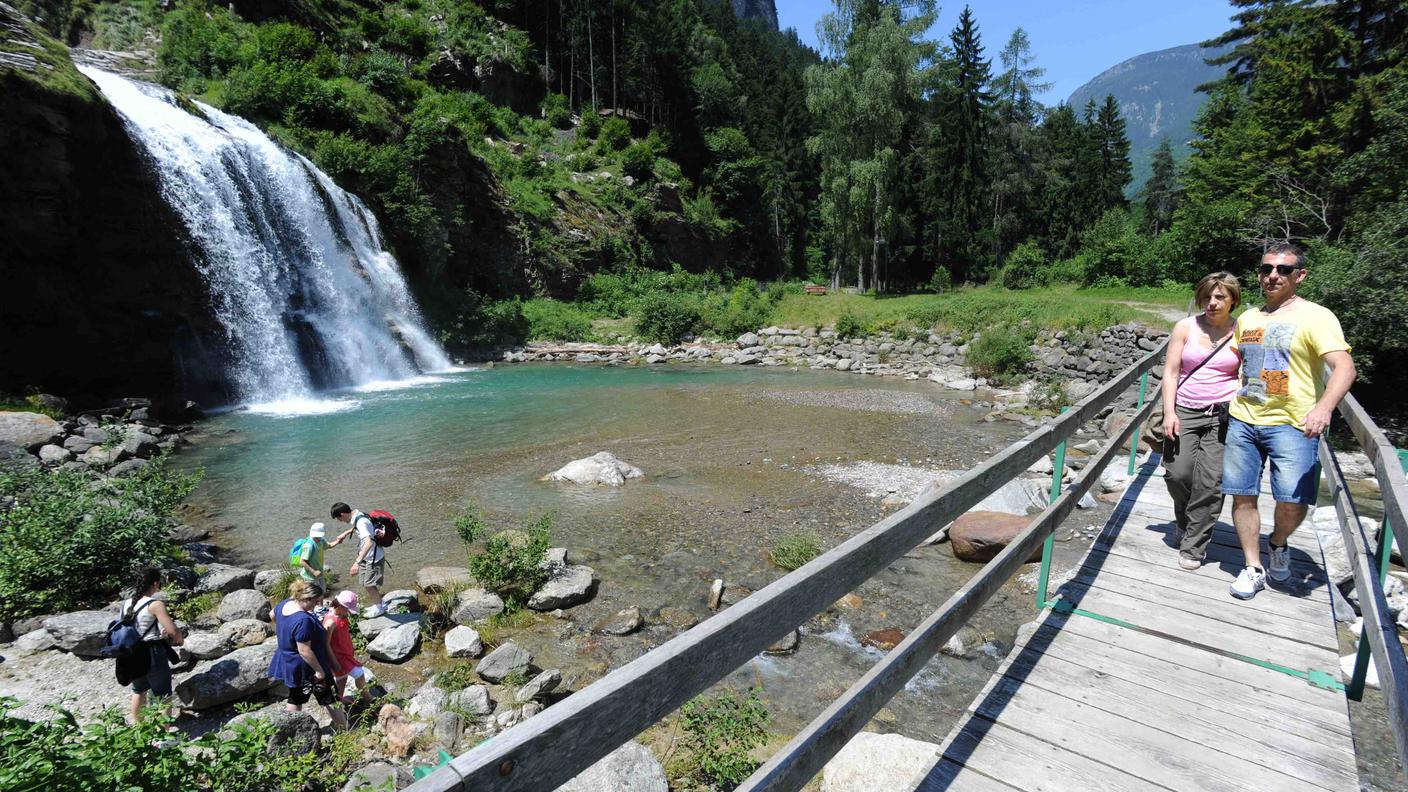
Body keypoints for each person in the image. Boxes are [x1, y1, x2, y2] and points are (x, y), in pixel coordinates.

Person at [1223, 243, 1356, 600]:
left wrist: (1324, 408)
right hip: (1243, 419)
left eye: (1283, 270)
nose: (1273, 275)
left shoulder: (1317, 316)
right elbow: (1235, 364)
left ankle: (1278, 542)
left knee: (1293, 500)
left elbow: (1344, 367)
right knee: (1242, 495)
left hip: (1293, 424)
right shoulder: (1249, 318)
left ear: (1300, 275)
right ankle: (1252, 566)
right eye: (1267, 268)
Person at [1161, 272, 1241, 571]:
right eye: (1207, 296)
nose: (1212, 302)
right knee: (1177, 474)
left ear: (1233, 299)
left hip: (1223, 415)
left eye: (1219, 296)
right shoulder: (1186, 327)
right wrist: (1170, 412)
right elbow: (1171, 372)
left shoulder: (1242, 330)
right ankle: (1184, 520)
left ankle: (1194, 545)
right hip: (1186, 410)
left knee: (1211, 482)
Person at [267, 579, 348, 729]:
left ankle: (291, 730)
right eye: (317, 602)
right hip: (307, 666)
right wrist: (319, 671)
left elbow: (272, 615)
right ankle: (345, 730)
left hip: (289, 662)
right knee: (330, 698)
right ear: (307, 599)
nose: (318, 605)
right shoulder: (302, 620)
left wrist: (284, 631)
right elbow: (304, 650)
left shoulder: (285, 604)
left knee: (295, 698)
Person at [122, 566, 185, 724]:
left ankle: (140, 729)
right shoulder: (155, 604)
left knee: (138, 691)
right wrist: (179, 639)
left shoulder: (127, 604)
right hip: (152, 653)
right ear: (155, 584)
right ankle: (163, 736)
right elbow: (172, 630)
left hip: (132, 653)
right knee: (162, 694)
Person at [331, 501, 387, 618]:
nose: (340, 521)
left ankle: (379, 608)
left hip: (373, 558)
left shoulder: (361, 521)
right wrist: (345, 533)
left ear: (342, 514)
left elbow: (369, 543)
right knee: (365, 583)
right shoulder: (358, 515)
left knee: (369, 584)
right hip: (367, 557)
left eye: (339, 519)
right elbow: (361, 528)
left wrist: (357, 563)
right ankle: (378, 603)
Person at [323, 590, 371, 706]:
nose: (349, 613)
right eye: (348, 610)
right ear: (339, 606)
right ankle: (369, 699)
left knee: (342, 679)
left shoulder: (341, 615)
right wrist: (334, 662)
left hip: (345, 653)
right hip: (339, 657)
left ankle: (338, 701)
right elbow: (326, 644)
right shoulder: (330, 622)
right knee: (359, 674)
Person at [296, 521, 350, 594]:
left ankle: (321, 605)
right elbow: (302, 561)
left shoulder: (321, 540)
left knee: (322, 591)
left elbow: (329, 545)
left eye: (319, 536)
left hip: (319, 572)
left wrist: (337, 541)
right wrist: (313, 571)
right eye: (316, 537)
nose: (318, 538)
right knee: (313, 595)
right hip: (310, 577)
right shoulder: (308, 546)